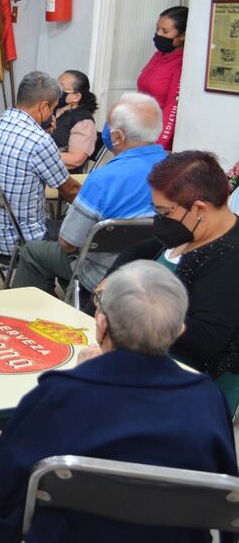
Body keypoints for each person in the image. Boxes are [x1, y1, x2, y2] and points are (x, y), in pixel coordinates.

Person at [0, 261, 237, 542]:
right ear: (179, 331)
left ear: (101, 323)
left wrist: (81, 376)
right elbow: (227, 499)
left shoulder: (58, 396)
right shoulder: (207, 399)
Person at [106, 151, 239, 411]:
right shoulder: (192, 230)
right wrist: (110, 284)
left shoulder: (230, 257)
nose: (159, 220)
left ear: (200, 208)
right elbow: (134, 252)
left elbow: (205, 339)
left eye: (165, 212)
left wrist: (135, 313)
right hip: (150, 363)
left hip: (192, 386)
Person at [13, 93, 167, 298]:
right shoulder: (180, 170)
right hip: (156, 272)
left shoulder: (103, 179)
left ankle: (34, 318)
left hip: (102, 275)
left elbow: (67, 243)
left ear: (118, 137)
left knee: (33, 251)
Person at [0, 72, 81, 257]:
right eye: (52, 109)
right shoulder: (39, 141)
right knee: (89, 232)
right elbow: (69, 191)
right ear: (44, 106)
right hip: (23, 242)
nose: (52, 114)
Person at [137, 6, 187, 150]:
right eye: (157, 28)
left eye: (165, 31)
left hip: (159, 141)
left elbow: (172, 108)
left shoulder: (181, 63)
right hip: (142, 131)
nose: (158, 34)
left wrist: (156, 148)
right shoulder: (158, 55)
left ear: (182, 36)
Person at [51, 70, 98, 171]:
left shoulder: (83, 122)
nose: (54, 90)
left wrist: (38, 155)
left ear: (76, 97)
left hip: (62, 180)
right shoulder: (51, 109)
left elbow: (76, 159)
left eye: (60, 88)